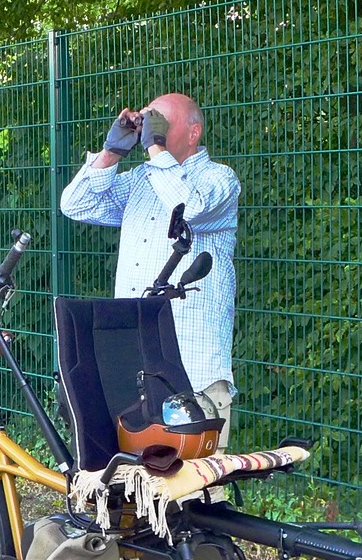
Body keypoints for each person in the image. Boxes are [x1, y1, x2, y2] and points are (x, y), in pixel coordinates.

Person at [59, 92, 241, 448]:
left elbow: (188, 208)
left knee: (196, 487)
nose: (149, 132)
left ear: (193, 133)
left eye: (160, 124)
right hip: (137, 365)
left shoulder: (220, 180)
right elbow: (75, 204)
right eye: (147, 122)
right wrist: (112, 152)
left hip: (193, 369)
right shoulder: (142, 180)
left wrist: (156, 150)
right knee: (133, 483)